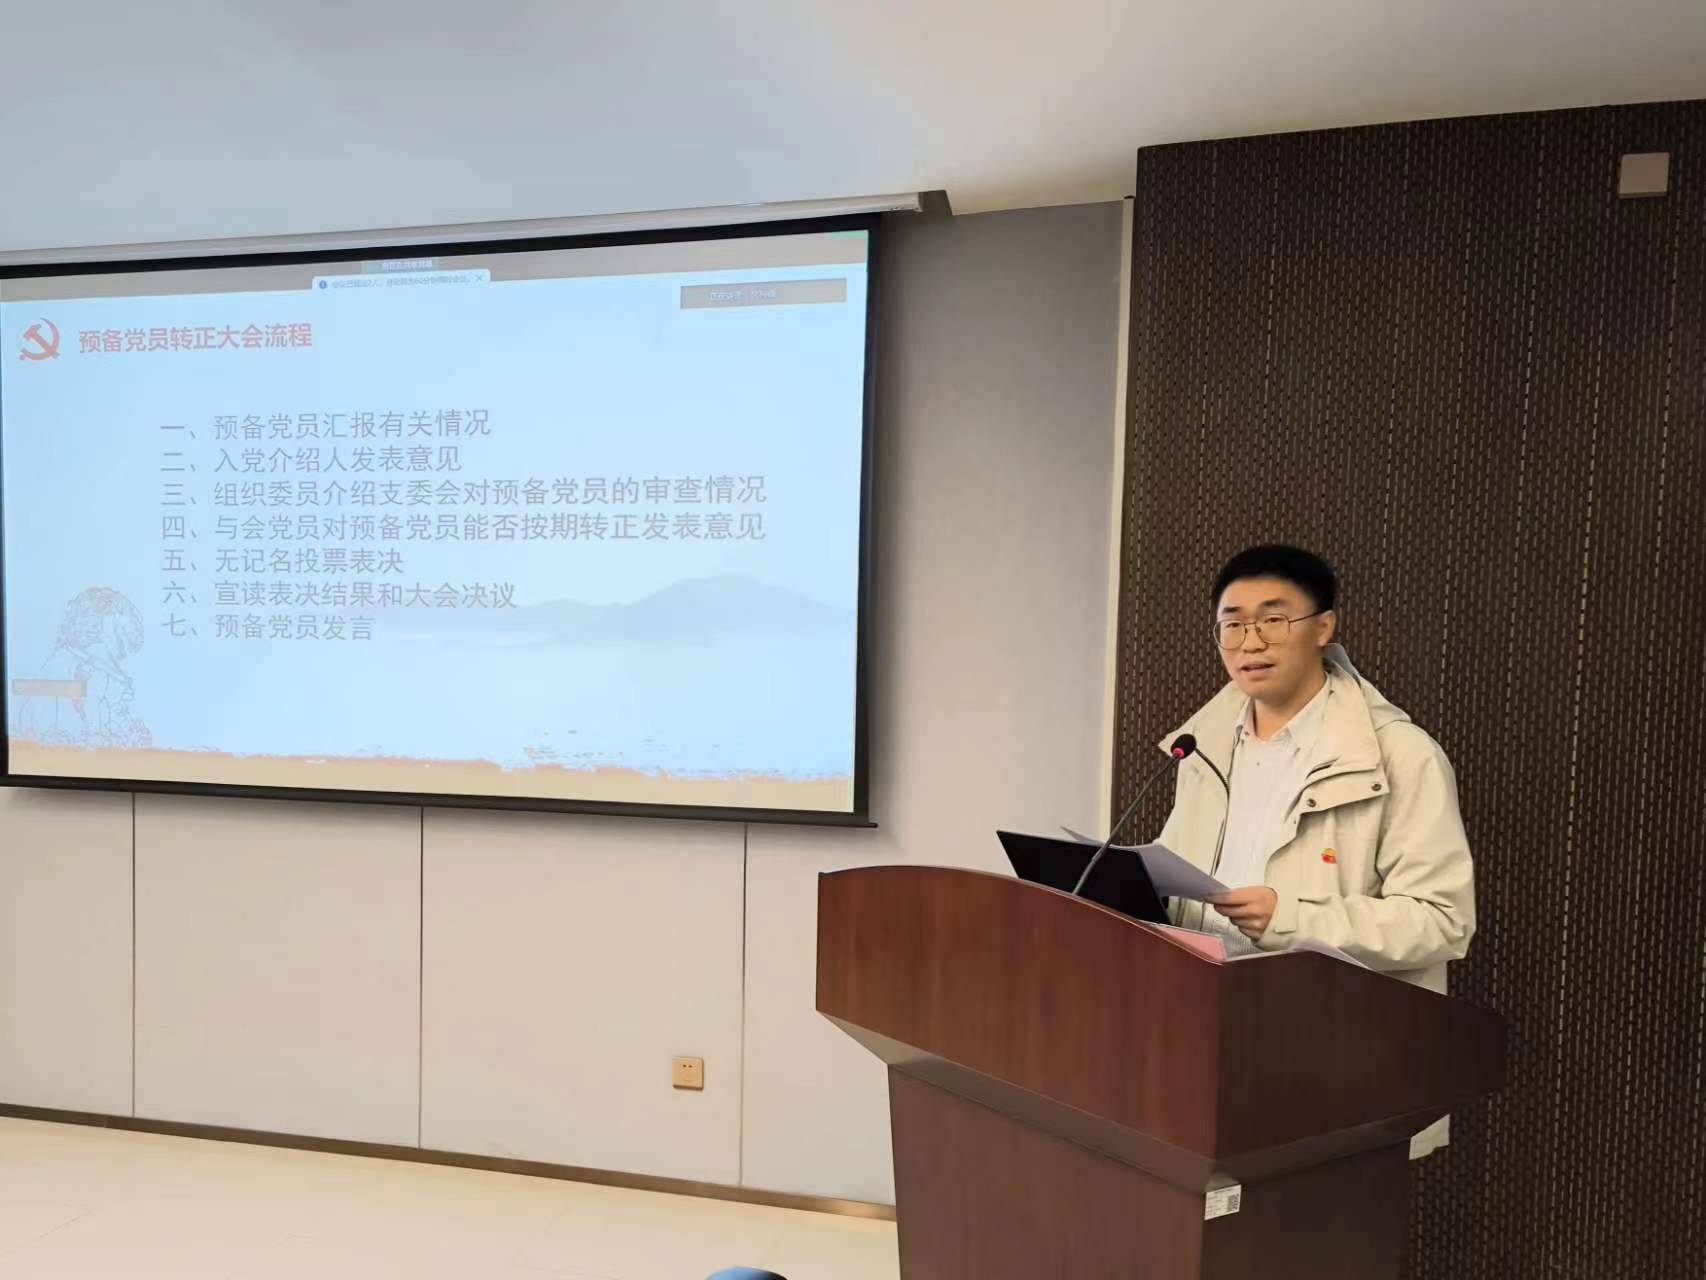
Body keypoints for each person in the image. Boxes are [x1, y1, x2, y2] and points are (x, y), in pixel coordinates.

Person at [1155, 545, 1474, 1157]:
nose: (1250, 642)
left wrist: (1290, 918)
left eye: (1274, 619)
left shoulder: (1399, 756)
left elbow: (1443, 921)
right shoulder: (1199, 748)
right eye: (1232, 623)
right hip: (1207, 1039)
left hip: (1334, 1058)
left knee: (1315, 1218)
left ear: (1324, 627)